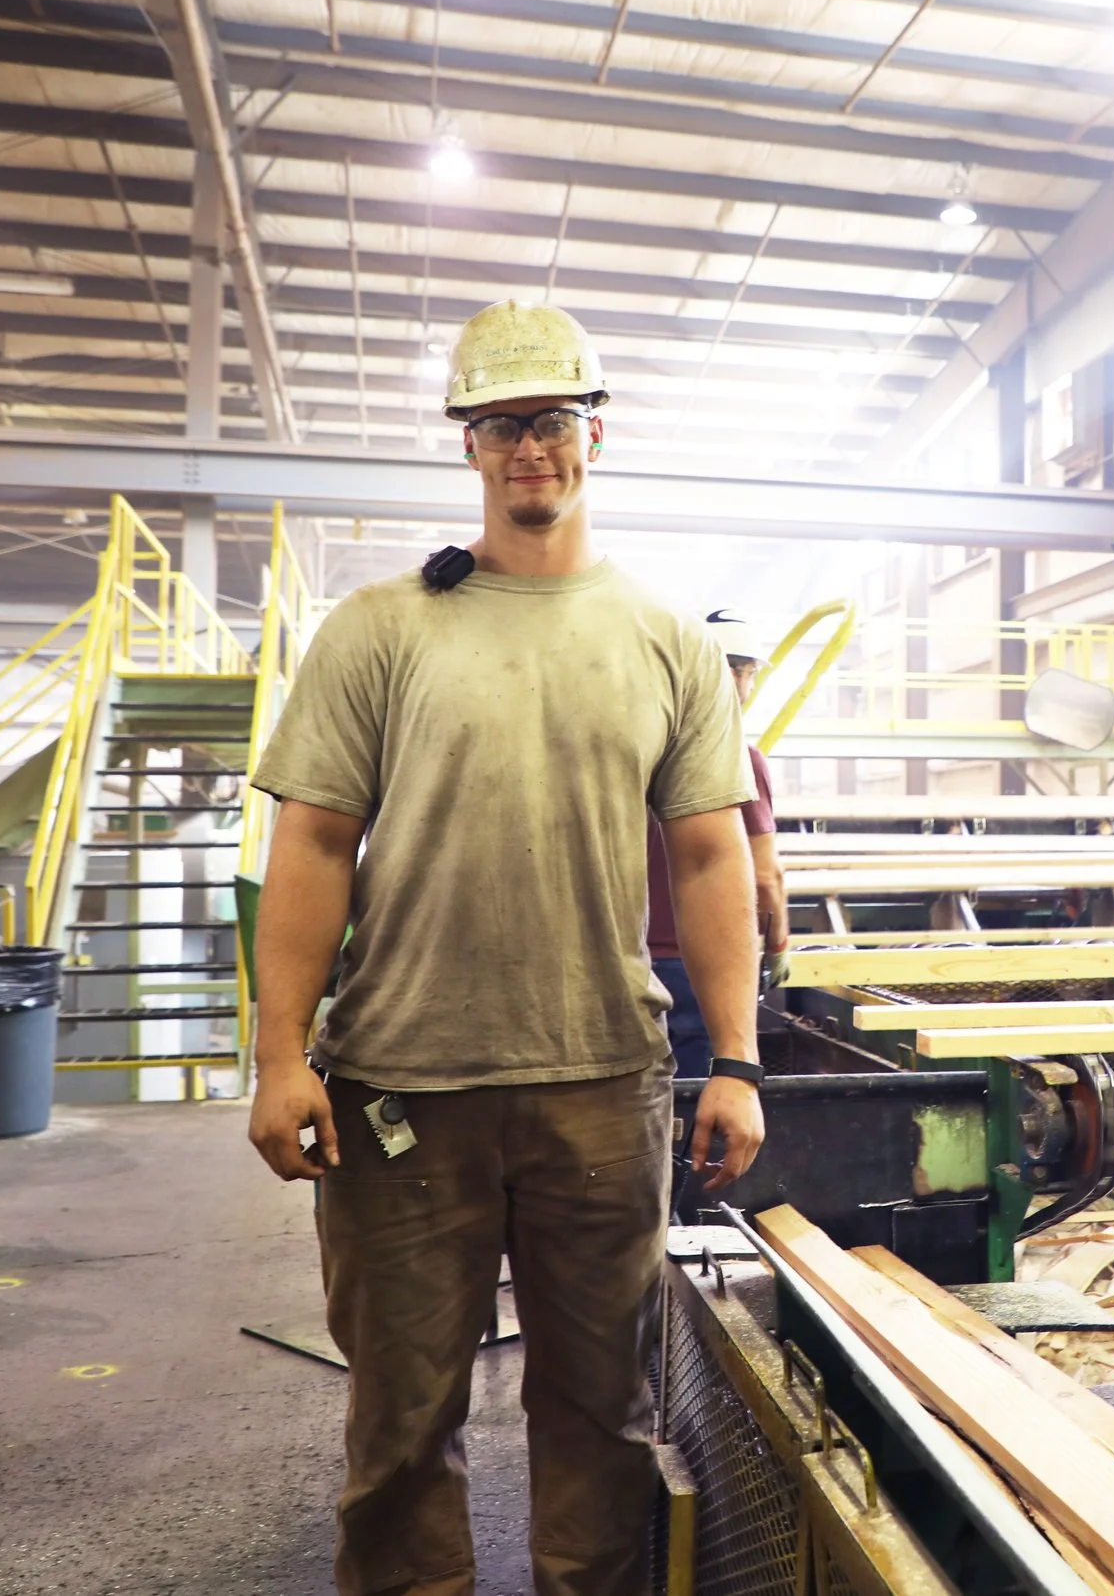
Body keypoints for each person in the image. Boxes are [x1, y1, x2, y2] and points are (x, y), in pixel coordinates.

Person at [244, 299, 768, 1596]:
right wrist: (278, 1054)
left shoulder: (665, 644)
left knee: (599, 1414)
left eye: (550, 419)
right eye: (499, 424)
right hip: (400, 1087)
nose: (528, 446)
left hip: (600, 1086)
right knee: (400, 1427)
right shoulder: (381, 630)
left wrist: (738, 1057)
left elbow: (712, 859)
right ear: (467, 443)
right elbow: (311, 845)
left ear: (596, 429)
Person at [646, 610, 788, 1078]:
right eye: (747, 674)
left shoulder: (641, 750)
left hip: (628, 960)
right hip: (704, 965)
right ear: (735, 675)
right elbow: (766, 875)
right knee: (704, 1095)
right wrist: (779, 946)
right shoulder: (741, 759)